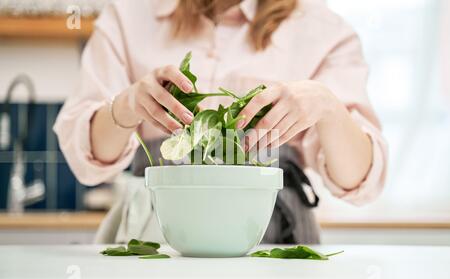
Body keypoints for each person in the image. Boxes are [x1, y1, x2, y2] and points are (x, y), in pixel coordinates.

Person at [54, 0, 388, 244]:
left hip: (274, 239)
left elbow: (359, 180)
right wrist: (125, 107)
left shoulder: (324, 30)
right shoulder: (129, 15)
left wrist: (327, 106)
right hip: (155, 232)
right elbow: (88, 162)